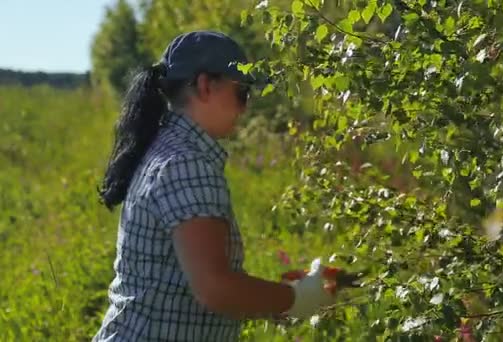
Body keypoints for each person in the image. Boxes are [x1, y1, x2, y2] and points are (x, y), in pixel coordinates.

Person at [92, 30, 336, 341]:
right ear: (206, 85)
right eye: (242, 93)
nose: (245, 108)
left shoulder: (169, 150)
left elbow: (196, 283)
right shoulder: (186, 164)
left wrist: (278, 297)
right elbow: (215, 288)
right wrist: (298, 299)